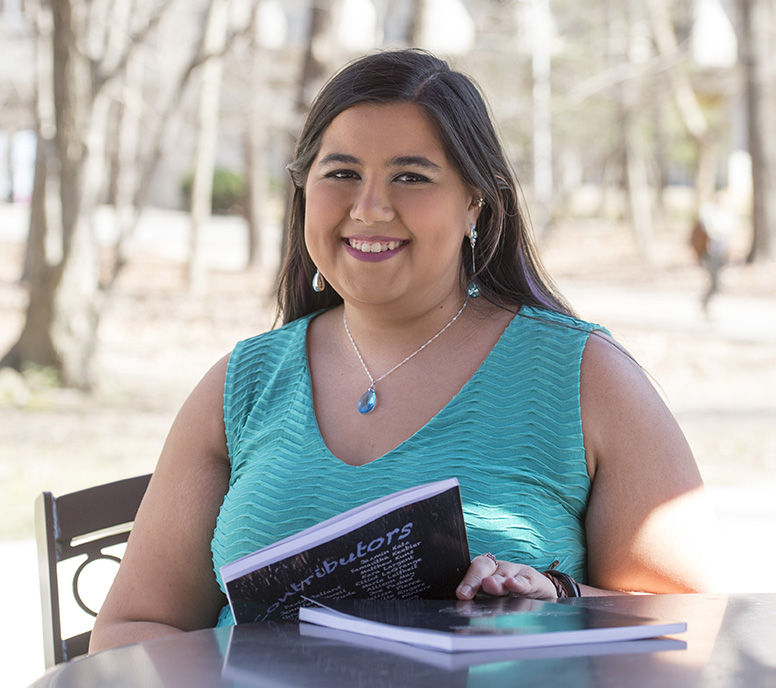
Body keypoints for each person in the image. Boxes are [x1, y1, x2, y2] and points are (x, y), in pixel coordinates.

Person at [90, 49, 717, 651]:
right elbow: (132, 627)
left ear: (476, 201)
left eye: (410, 177)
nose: (370, 207)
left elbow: (696, 626)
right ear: (304, 190)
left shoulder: (585, 376)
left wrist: (559, 593)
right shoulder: (243, 382)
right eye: (342, 174)